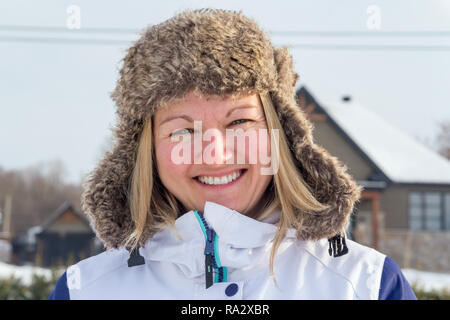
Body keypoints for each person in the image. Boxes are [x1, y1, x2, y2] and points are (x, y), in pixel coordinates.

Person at [49, 8, 416, 300]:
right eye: (182, 130)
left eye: (239, 121)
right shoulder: (86, 291)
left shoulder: (366, 286)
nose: (216, 153)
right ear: (147, 153)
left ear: (280, 135)